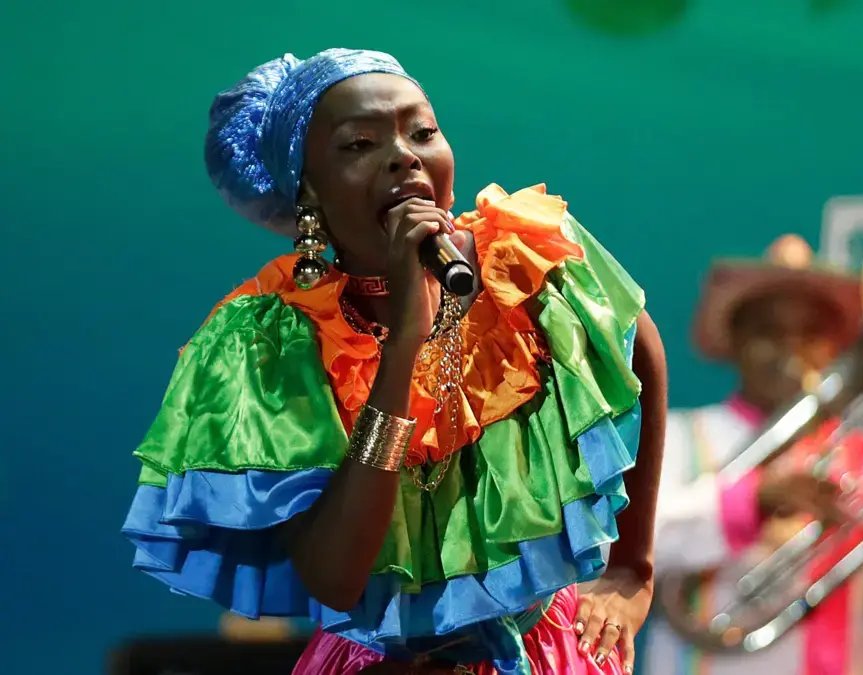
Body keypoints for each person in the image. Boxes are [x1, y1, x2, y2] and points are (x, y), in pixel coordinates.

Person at [121, 48, 668, 675]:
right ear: (309, 193)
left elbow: (640, 353)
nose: (404, 155)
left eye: (423, 132)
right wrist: (405, 339)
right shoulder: (272, 338)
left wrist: (632, 568)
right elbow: (336, 578)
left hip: (548, 653)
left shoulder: (529, 263)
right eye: (359, 144)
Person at [641, 234, 863, 675]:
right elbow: (621, 548)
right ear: (735, 339)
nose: (790, 348)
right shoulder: (679, 436)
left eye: (811, 333)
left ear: (834, 348)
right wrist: (753, 500)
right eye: (768, 332)